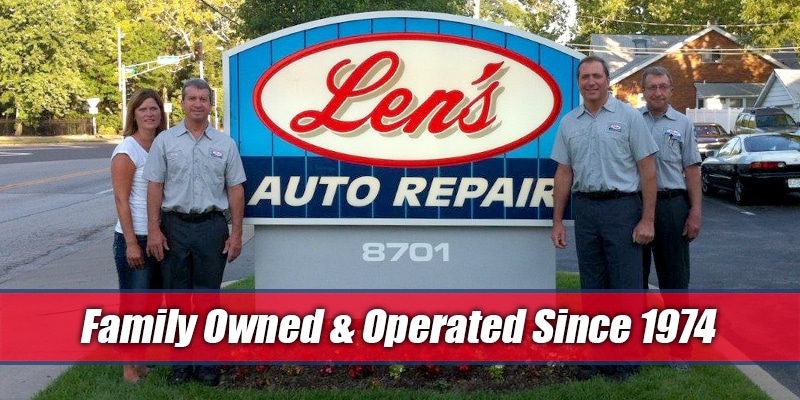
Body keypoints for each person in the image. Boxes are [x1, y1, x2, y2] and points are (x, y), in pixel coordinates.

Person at [549, 55, 659, 379]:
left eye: (597, 76)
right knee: (594, 287)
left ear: (608, 80)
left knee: (625, 287)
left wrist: (647, 219)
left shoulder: (629, 118)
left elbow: (648, 172)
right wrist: (558, 220)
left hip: (623, 208)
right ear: (579, 82)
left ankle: (627, 363)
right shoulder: (570, 122)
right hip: (586, 210)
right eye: (585, 77)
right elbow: (563, 173)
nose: (591, 82)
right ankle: (600, 360)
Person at [144, 78, 246, 386]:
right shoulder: (166, 141)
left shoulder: (225, 144)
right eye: (192, 98)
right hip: (173, 226)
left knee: (207, 299)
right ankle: (180, 366)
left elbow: (236, 189)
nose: (198, 103)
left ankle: (206, 366)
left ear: (210, 104)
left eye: (203, 98)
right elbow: (155, 187)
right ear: (183, 102)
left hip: (211, 227)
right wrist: (153, 231)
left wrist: (236, 232)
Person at [110, 88, 166, 383]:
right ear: (134, 114)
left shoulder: (161, 144)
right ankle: (129, 368)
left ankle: (142, 361)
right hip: (135, 239)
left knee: (152, 306)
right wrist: (132, 242)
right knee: (134, 306)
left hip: (158, 237)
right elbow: (121, 199)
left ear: (161, 114)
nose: (149, 114)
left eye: (154, 109)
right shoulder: (126, 150)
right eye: (143, 109)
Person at [639, 66, 702, 290]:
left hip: (672, 205)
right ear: (643, 91)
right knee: (635, 274)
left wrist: (695, 212)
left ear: (671, 90)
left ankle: (676, 323)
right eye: (652, 87)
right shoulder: (633, 120)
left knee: (675, 276)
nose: (658, 93)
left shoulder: (683, 123)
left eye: (663, 87)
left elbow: (692, 169)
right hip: (636, 205)